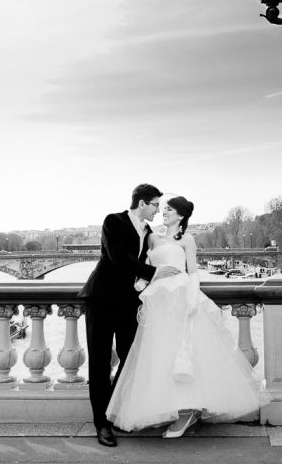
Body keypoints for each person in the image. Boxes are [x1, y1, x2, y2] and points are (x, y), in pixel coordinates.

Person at [105, 195, 269, 438]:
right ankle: (172, 409)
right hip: (158, 300)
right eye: (163, 208)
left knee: (184, 351)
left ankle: (187, 411)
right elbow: (145, 266)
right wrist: (141, 284)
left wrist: (193, 299)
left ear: (181, 215)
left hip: (181, 297)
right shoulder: (151, 237)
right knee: (160, 353)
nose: (164, 212)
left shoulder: (188, 240)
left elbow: (192, 273)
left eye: (169, 209)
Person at [78, 183, 179, 448]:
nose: (158, 210)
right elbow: (118, 258)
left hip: (127, 302)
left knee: (131, 357)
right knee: (99, 363)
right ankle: (102, 424)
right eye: (155, 204)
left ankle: (114, 408)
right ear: (142, 203)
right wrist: (155, 274)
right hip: (100, 299)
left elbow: (144, 260)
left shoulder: (147, 231)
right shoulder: (113, 221)